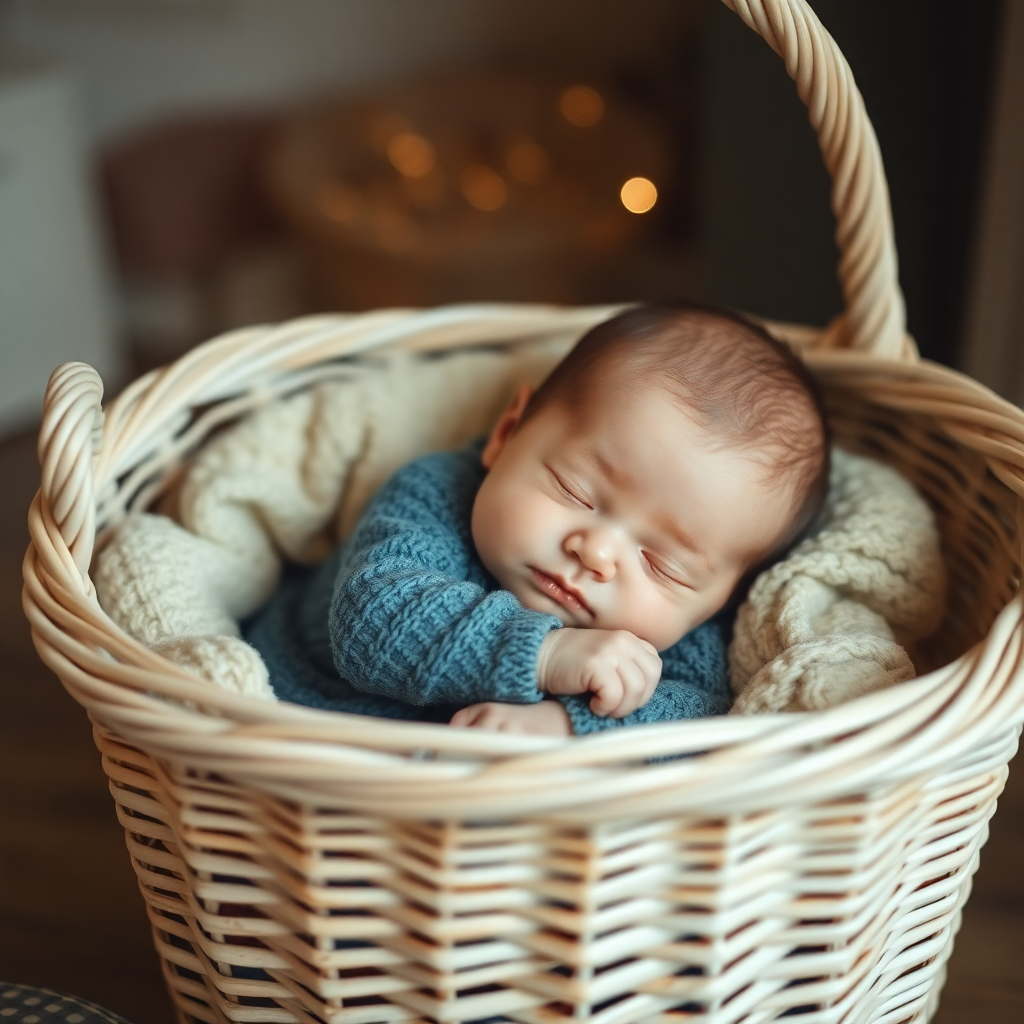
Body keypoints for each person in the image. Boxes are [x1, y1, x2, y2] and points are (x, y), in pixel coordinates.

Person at [244, 303, 830, 735]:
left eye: (662, 564)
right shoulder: (437, 496)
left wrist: (563, 723)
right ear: (507, 435)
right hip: (303, 734)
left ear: (727, 597)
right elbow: (371, 622)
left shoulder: (674, 637)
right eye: (576, 491)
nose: (596, 553)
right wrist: (545, 657)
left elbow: (697, 719)